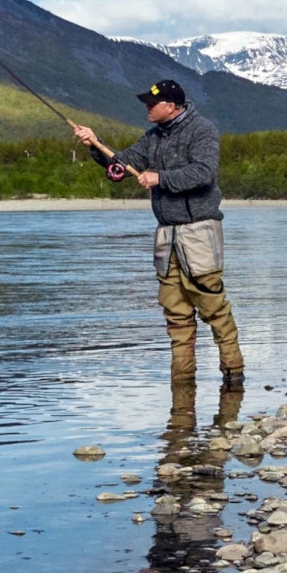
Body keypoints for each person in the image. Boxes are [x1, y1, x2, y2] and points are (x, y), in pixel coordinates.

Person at [73, 79, 245, 390]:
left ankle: (234, 377)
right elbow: (122, 164)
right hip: (167, 235)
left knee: (213, 308)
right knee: (176, 314)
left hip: (199, 231)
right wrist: (95, 144)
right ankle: (183, 386)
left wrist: (159, 178)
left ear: (172, 106)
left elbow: (204, 173)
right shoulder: (153, 136)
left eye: (153, 103)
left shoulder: (202, 130)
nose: (147, 108)